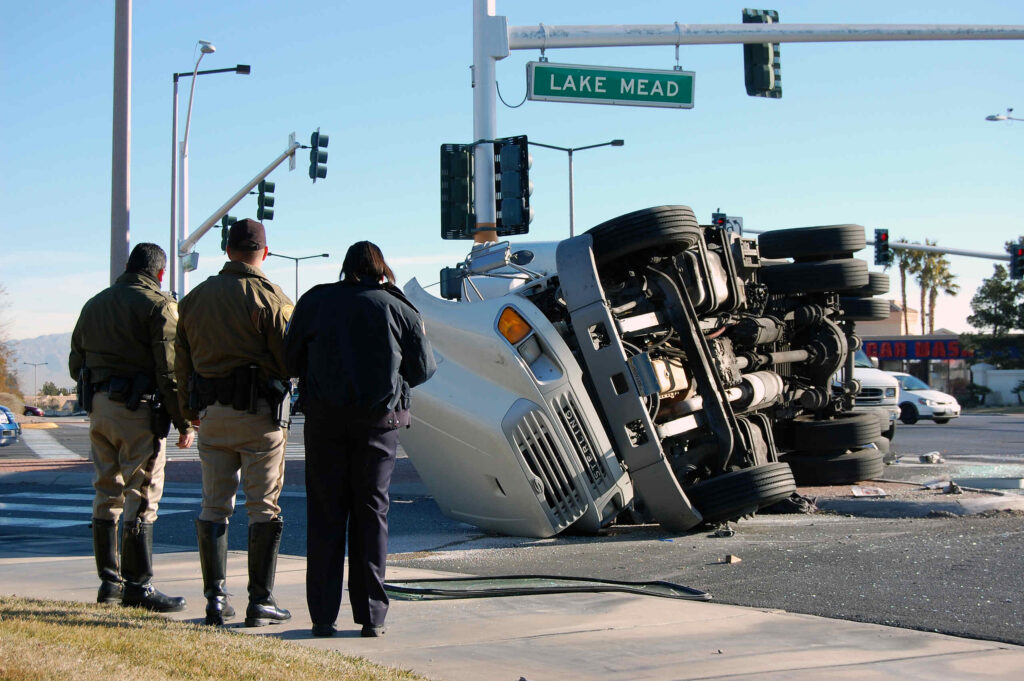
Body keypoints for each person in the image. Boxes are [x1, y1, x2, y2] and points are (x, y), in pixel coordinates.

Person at [285, 241, 436, 638]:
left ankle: (322, 615)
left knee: (325, 515)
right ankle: (371, 616)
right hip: (378, 424)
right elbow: (423, 368)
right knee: (372, 516)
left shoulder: (316, 302)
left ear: (345, 268)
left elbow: (287, 358)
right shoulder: (398, 307)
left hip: (324, 423)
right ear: (381, 269)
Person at [175, 219, 294, 627]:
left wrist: (188, 415)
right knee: (263, 508)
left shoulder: (194, 299)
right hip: (259, 417)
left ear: (227, 251)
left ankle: (215, 599)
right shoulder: (272, 297)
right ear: (265, 253)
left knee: (214, 506)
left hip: (212, 417)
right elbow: (288, 359)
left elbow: (182, 366)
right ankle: (260, 600)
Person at [69, 242, 191, 612]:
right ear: (160, 273)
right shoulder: (158, 306)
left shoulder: (95, 303)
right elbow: (169, 371)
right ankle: (138, 586)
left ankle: (109, 583)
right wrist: (183, 420)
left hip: (100, 407)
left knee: (107, 492)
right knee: (142, 495)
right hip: (138, 411)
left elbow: (76, 363)